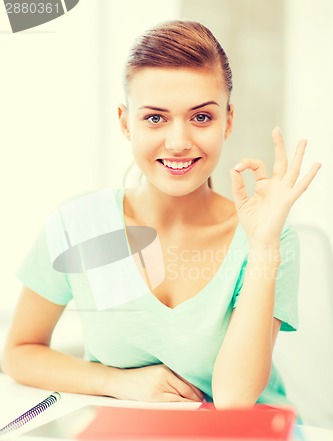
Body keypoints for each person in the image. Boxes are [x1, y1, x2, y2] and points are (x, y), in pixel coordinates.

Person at [2, 20, 320, 410]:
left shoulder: (271, 237)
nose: (179, 142)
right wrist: (117, 382)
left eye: (201, 117)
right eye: (155, 118)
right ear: (124, 122)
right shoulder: (76, 225)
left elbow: (234, 399)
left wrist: (264, 245)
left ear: (228, 121)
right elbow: (19, 351)